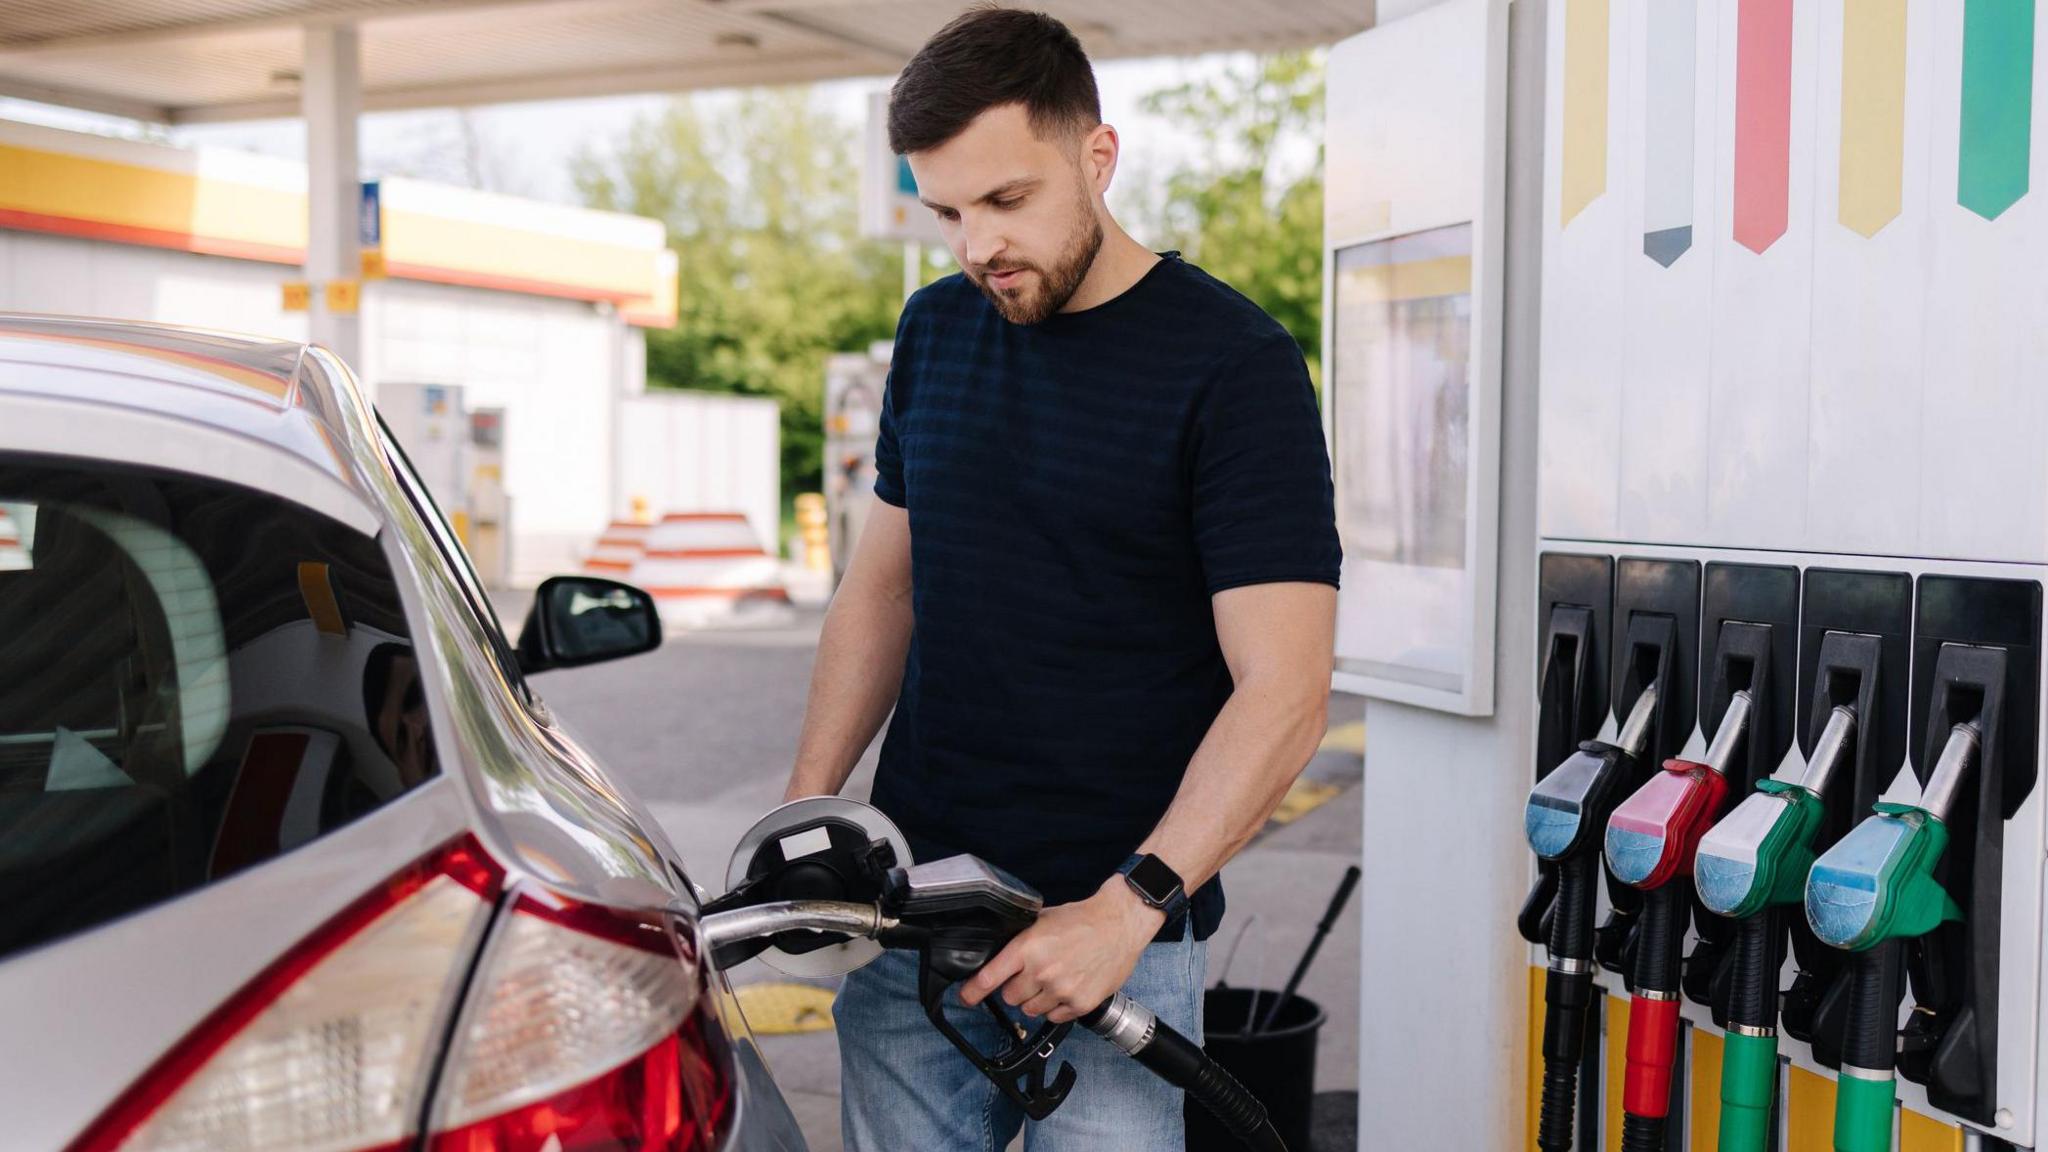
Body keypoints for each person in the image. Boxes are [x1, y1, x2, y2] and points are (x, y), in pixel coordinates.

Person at [782, 7, 1340, 1149]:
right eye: (944, 211)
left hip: (1113, 947)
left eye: (1004, 201)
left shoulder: (1234, 368)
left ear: (1097, 156)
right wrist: (805, 813)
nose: (974, 246)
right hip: (912, 935)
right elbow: (881, 592)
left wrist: (1126, 911)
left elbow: (1283, 690)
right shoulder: (933, 332)